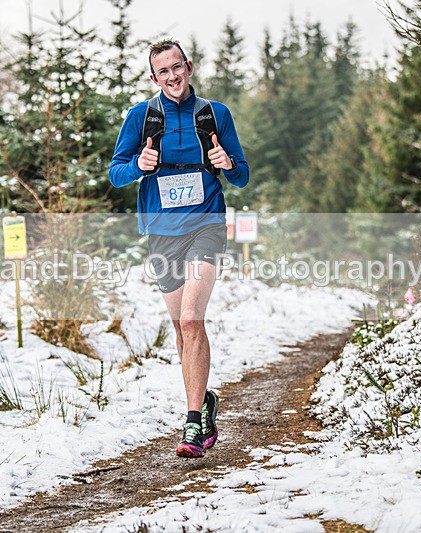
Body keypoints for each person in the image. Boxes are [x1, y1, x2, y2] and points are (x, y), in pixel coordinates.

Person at [109, 38, 249, 458]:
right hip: (161, 232)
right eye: (163, 72)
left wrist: (227, 163)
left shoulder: (214, 113)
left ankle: (192, 425)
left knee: (191, 319)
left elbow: (241, 176)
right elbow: (116, 174)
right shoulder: (141, 116)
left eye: (177, 67)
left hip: (207, 224)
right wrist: (139, 166)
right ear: (154, 78)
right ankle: (203, 399)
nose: (172, 77)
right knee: (180, 327)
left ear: (188, 66)